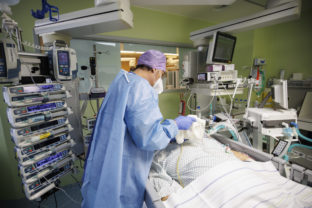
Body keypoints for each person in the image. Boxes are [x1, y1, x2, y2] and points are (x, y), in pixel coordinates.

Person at [81, 50, 196, 208]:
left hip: (105, 155)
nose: (160, 79)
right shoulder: (142, 89)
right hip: (123, 165)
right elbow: (149, 138)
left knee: (100, 194)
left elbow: (133, 122)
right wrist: (174, 126)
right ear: (155, 70)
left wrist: (163, 129)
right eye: (161, 74)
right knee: (117, 200)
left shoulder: (122, 80)